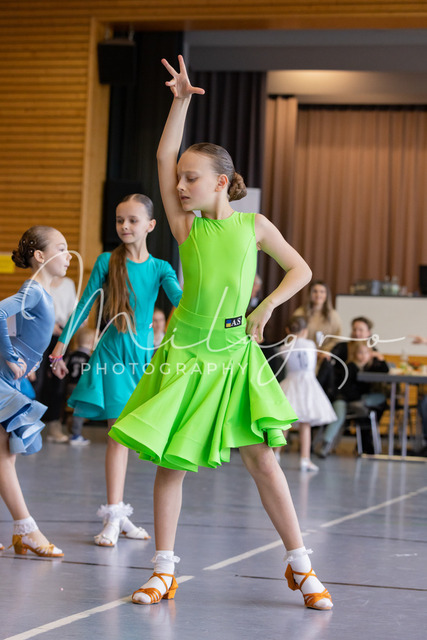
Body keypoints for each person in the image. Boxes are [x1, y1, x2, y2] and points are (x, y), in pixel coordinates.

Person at [109, 56, 333, 611]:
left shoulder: (254, 226)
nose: (180, 185)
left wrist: (267, 307)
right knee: (172, 462)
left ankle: (300, 565)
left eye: (192, 178)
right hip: (187, 352)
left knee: (263, 461)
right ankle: (164, 570)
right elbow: (163, 154)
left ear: (222, 182)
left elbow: (301, 270)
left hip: (235, 354)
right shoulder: (185, 227)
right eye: (179, 178)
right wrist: (181, 101)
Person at [50, 193, 182, 547]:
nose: (124, 226)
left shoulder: (161, 268)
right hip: (111, 355)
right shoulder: (107, 261)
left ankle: (120, 515)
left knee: (133, 437)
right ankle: (113, 514)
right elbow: (85, 304)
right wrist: (61, 346)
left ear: (150, 225)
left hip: (144, 359)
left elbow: (183, 304)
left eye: (133, 220)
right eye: (120, 220)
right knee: (116, 434)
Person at [0, 225, 70, 557]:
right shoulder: (33, 290)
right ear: (40, 256)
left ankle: (22, 529)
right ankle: (26, 528)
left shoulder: (42, 292)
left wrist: (37, 361)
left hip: (11, 379)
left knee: (6, 454)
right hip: (3, 377)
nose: (68, 256)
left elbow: (25, 332)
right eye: (61, 248)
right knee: (4, 455)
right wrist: (12, 357)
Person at [315, 317, 389, 458]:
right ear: (355, 354)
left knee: (379, 403)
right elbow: (332, 359)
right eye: (355, 329)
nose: (357, 333)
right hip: (341, 395)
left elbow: (383, 371)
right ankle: (325, 445)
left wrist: (380, 358)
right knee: (340, 413)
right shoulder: (347, 358)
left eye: (361, 330)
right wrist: (326, 354)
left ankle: (365, 444)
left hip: (358, 397)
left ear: (369, 332)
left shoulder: (371, 354)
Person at [277, 316, 337, 472]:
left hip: (291, 384)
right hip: (308, 385)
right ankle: (305, 459)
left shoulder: (285, 347)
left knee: (284, 422)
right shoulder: (311, 345)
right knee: (306, 424)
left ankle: (276, 453)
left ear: (288, 330)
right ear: (305, 331)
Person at [34, 275, 76, 443]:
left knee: (59, 381)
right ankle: (29, 426)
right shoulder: (38, 282)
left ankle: (54, 425)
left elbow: (73, 310)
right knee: (37, 381)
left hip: (62, 337)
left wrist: (75, 323)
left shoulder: (69, 283)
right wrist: (49, 326)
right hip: (40, 335)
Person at [64, 327, 95, 445]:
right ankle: (76, 435)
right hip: (81, 387)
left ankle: (71, 429)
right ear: (91, 342)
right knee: (79, 411)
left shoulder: (71, 355)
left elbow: (65, 368)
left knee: (73, 409)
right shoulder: (89, 358)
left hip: (69, 385)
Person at [294, 280, 342, 352]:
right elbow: (293, 335)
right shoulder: (300, 313)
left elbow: (337, 338)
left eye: (322, 292)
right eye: (315, 291)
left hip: (326, 354)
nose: (318, 295)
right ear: (309, 294)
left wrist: (324, 351)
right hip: (304, 352)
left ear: (326, 295)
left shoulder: (333, 315)